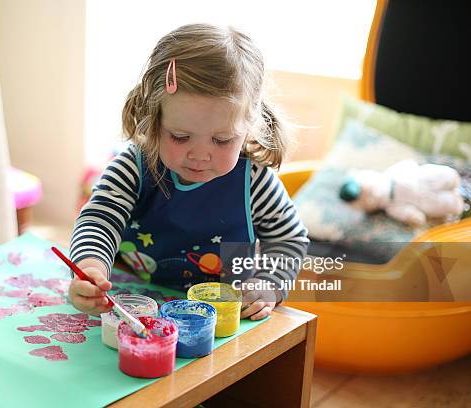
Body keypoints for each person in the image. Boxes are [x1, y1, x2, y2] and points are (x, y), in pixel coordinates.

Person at [69, 23, 309, 321]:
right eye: (180, 137)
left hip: (223, 318)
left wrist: (269, 283)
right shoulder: (134, 167)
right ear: (154, 119)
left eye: (221, 140)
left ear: (249, 127)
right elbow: (99, 219)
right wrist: (91, 267)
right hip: (135, 307)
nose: (199, 154)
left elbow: (289, 239)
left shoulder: (254, 183)